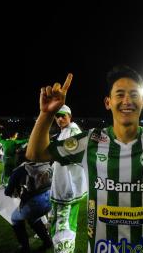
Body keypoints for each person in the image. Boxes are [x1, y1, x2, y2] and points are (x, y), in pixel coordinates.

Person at [26, 66, 143, 253]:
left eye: (134, 95)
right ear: (107, 102)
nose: (127, 100)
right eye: (120, 94)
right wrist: (47, 114)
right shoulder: (89, 141)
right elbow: (36, 153)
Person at [49, 104, 87, 252]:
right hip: (64, 186)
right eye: (56, 116)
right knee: (61, 223)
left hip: (67, 189)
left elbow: (68, 156)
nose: (59, 119)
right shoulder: (66, 131)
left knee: (63, 227)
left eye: (62, 115)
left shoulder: (73, 131)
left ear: (69, 116)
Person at [5, 162, 53, 253]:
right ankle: (47, 242)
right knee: (33, 219)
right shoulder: (46, 164)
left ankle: (25, 248)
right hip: (50, 201)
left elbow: (7, 192)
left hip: (35, 204)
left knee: (14, 219)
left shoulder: (19, 170)